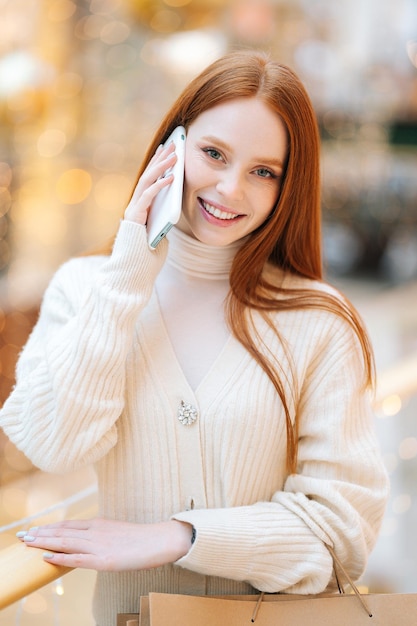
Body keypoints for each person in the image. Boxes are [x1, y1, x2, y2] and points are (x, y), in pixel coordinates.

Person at [0, 49, 388, 625]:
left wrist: (178, 537)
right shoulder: (88, 288)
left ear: (288, 187)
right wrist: (130, 270)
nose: (231, 189)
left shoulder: (320, 321)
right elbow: (53, 446)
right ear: (171, 150)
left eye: (264, 171)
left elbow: (341, 536)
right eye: (213, 154)